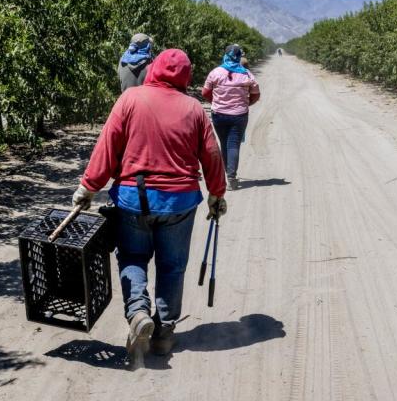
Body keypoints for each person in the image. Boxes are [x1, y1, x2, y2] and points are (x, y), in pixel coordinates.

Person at [72, 49, 227, 358]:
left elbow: (108, 145)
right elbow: (211, 154)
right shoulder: (194, 109)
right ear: (186, 76)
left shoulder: (129, 99)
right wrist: (216, 193)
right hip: (179, 203)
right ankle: (164, 333)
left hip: (133, 199)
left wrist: (87, 187)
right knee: (172, 266)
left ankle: (139, 313)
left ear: (153, 69)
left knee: (132, 257)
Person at [202, 44, 260, 190]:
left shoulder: (215, 72)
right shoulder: (246, 74)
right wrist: (246, 103)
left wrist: (215, 102)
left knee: (224, 143)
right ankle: (231, 177)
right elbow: (256, 94)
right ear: (239, 56)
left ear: (226, 55)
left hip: (219, 115)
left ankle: (228, 173)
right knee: (233, 144)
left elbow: (205, 92)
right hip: (239, 115)